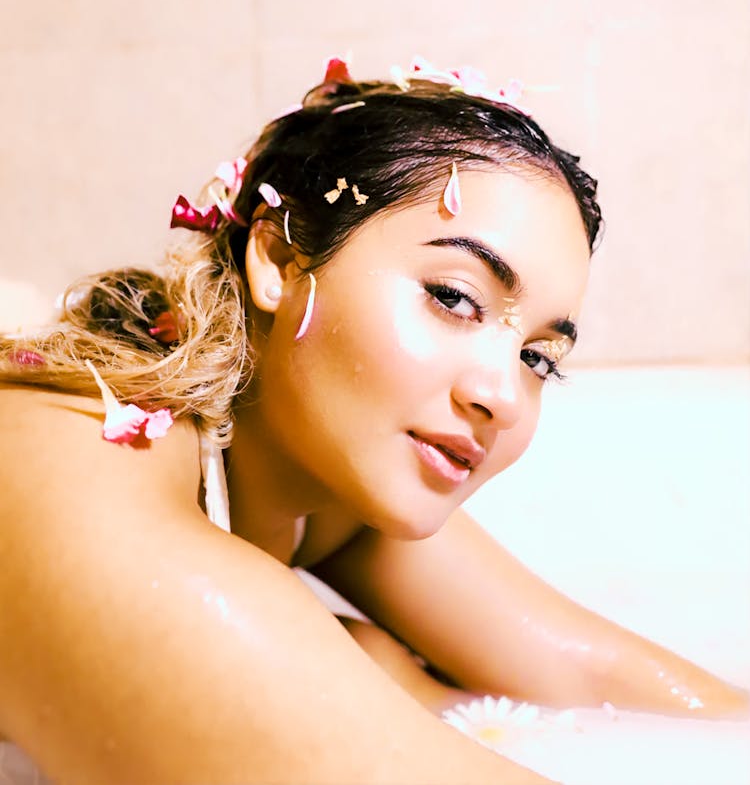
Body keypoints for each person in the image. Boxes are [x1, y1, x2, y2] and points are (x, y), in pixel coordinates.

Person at [0, 56, 745, 785]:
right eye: (454, 297)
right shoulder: (87, 504)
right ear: (280, 256)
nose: (505, 396)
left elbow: (585, 671)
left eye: (537, 357)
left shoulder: (314, 476)